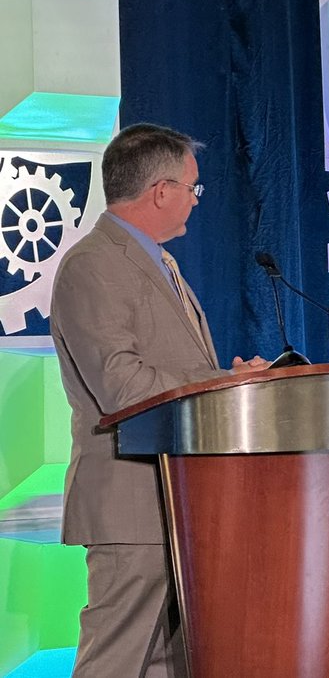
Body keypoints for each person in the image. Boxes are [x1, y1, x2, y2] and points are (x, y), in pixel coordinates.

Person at [50, 123, 269, 677]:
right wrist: (217, 385)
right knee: (115, 663)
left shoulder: (159, 261)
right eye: (194, 189)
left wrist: (225, 379)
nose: (197, 201)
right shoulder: (94, 264)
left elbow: (171, 374)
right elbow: (120, 384)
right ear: (161, 191)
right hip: (132, 502)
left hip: (180, 498)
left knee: (169, 665)